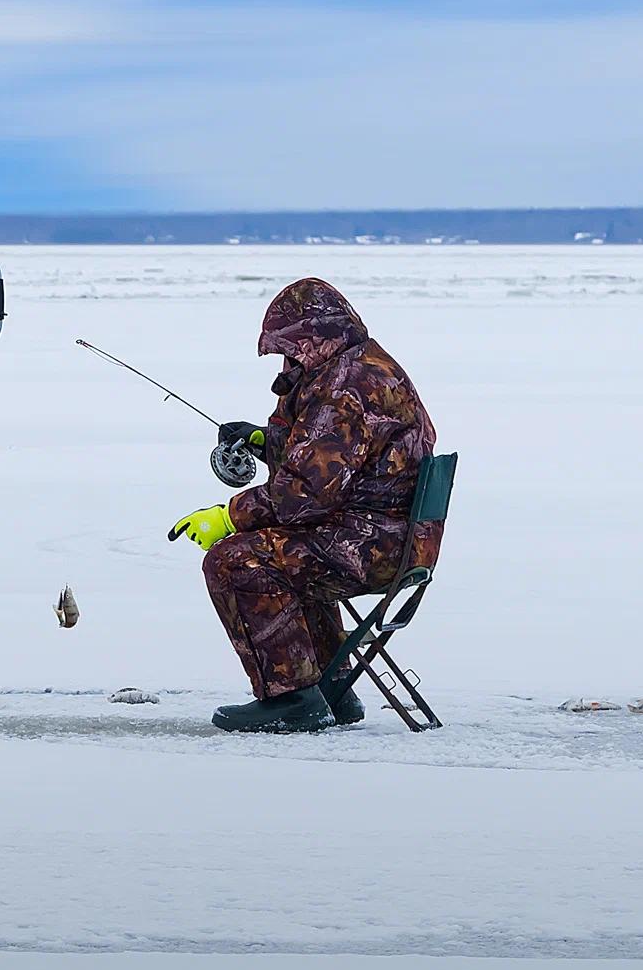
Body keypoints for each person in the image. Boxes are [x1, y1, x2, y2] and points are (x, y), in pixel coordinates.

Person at [167, 278, 442, 732]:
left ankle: (291, 698)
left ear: (313, 337)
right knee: (287, 551)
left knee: (235, 561)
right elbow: (326, 462)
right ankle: (331, 689)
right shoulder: (356, 367)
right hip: (384, 535)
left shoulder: (347, 387)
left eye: (290, 347)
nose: (286, 359)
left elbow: (303, 496)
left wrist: (227, 517)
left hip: (374, 544)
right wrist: (262, 439)